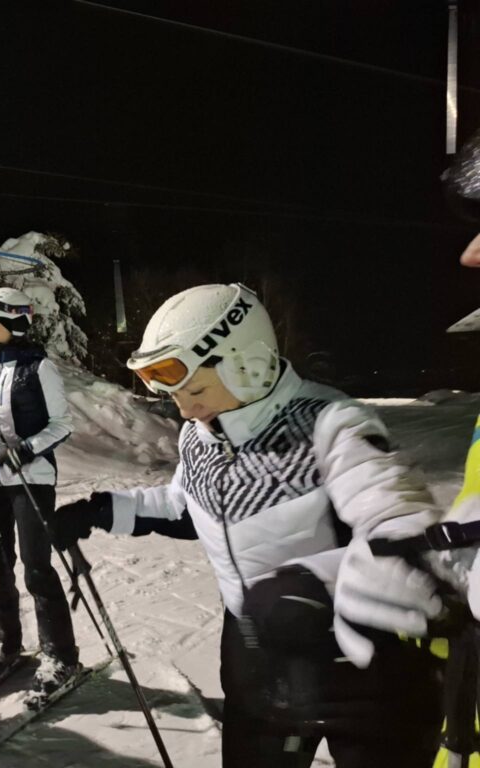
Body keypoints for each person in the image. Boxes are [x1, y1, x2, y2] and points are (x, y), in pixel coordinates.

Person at [47, 283, 443, 767]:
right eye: (174, 395)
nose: (184, 409)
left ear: (247, 366)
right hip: (255, 660)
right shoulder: (200, 435)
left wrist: (311, 586)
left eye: (195, 390)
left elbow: (407, 534)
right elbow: (185, 506)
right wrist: (99, 510)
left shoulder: (331, 424)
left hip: (357, 667)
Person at [0, 286, 79, 697]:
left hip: (32, 479)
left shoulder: (40, 369)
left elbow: (62, 424)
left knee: (36, 567)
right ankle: (4, 644)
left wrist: (26, 449)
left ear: (15, 324)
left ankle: (60, 654)